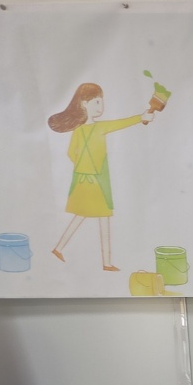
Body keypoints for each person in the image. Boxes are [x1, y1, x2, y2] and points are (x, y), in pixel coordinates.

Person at [47, 82, 155, 272]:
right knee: (102, 217)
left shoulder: (78, 130)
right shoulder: (98, 128)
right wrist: (141, 117)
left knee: (82, 216)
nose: (101, 106)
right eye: (97, 102)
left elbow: (71, 153)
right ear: (84, 104)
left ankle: (59, 249)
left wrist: (83, 167)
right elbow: (120, 123)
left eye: (101, 101)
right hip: (96, 182)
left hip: (83, 181)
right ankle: (106, 263)